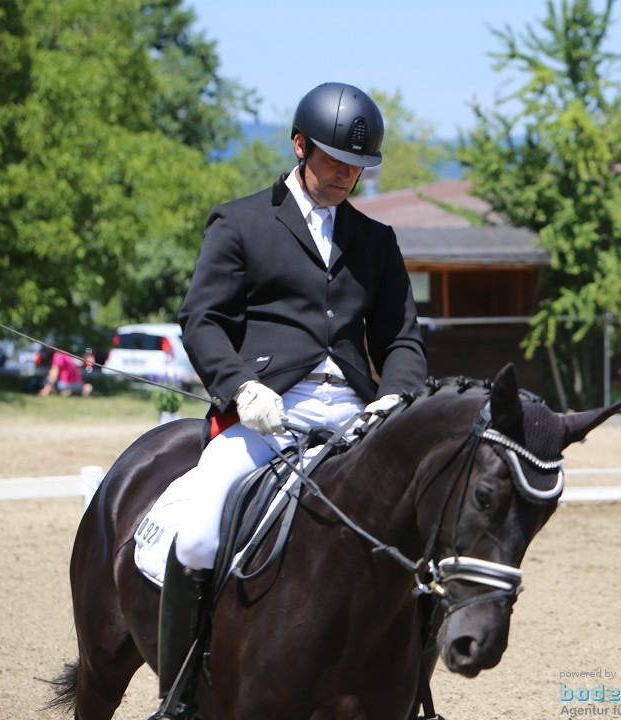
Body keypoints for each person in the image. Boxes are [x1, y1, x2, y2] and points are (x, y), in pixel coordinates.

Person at [139, 82, 427, 717]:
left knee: (420, 538)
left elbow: (401, 338)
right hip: (265, 413)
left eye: (359, 166)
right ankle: (181, 695)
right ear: (300, 146)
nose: (348, 174)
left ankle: (414, 694)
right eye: (335, 161)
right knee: (199, 532)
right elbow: (203, 320)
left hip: (354, 416)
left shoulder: (376, 241)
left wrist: (394, 399)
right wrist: (241, 385)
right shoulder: (240, 221)